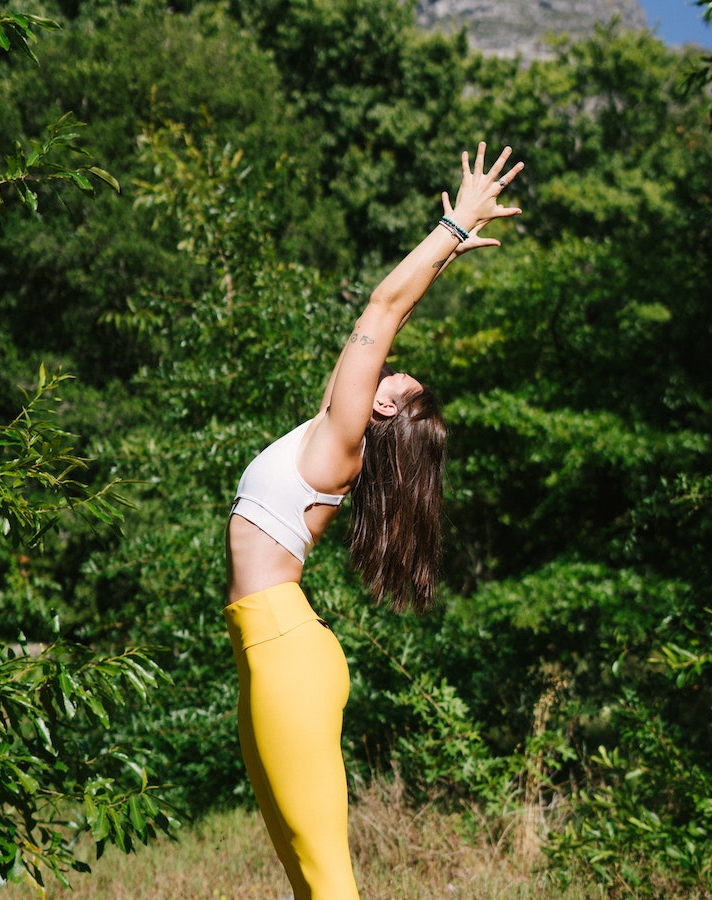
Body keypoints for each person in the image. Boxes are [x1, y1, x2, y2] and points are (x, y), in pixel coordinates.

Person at [224, 142, 524, 899]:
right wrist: (451, 252)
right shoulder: (330, 431)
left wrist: (453, 224)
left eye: (394, 375)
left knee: (330, 885)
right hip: (269, 654)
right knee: (306, 879)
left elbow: (385, 307)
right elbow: (402, 306)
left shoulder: (338, 446)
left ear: (384, 406)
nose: (384, 366)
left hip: (287, 658)